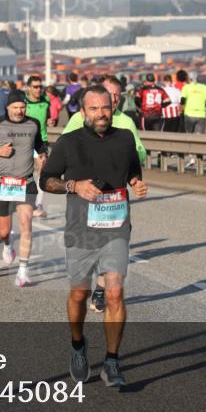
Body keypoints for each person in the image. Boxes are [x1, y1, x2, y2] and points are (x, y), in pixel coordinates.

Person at [40, 85, 149, 388]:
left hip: (116, 227)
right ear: (82, 111)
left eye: (105, 108)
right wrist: (74, 186)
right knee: (79, 294)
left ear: (112, 106)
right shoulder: (69, 142)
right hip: (80, 229)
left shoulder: (125, 137)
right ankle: (78, 345)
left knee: (114, 292)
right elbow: (46, 180)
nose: (101, 114)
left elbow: (132, 172)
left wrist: (136, 183)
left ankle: (112, 361)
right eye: (94, 109)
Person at [63, 75, 148, 313]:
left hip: (115, 209)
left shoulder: (127, 125)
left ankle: (101, 292)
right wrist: (77, 182)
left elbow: (138, 155)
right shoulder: (80, 121)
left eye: (116, 97)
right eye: (109, 95)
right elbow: (65, 148)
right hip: (84, 209)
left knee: (112, 265)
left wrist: (134, 179)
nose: (113, 100)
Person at [0, 90, 45, 287]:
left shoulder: (33, 124)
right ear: (7, 108)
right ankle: (7, 245)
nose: (19, 111)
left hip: (26, 182)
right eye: (15, 107)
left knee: (26, 225)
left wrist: (43, 154)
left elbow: (39, 143)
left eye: (22, 107)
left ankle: (23, 271)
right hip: (3, 182)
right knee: (4, 231)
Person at [23, 75, 52, 218]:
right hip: (26, 141)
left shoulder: (46, 101)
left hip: (42, 141)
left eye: (40, 86)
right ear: (29, 88)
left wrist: (51, 121)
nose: (38, 89)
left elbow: (49, 117)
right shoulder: (23, 102)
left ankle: (38, 205)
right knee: (27, 173)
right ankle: (27, 201)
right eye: (35, 86)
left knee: (42, 171)